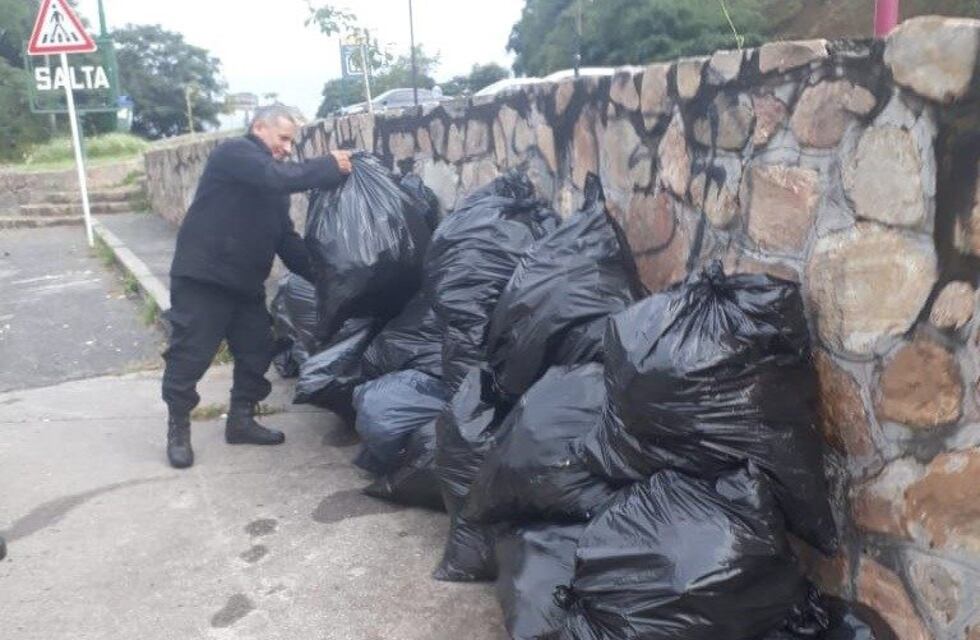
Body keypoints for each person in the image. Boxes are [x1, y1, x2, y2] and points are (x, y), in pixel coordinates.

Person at [162, 105, 352, 469]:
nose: (287, 148)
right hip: (204, 278)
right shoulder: (235, 154)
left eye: (291, 142)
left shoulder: (273, 185)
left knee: (257, 351)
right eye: (283, 138)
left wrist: (328, 276)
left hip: (245, 283)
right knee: (190, 355)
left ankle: (241, 420)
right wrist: (327, 166)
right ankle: (178, 429)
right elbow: (274, 176)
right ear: (259, 127)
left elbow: (285, 239)